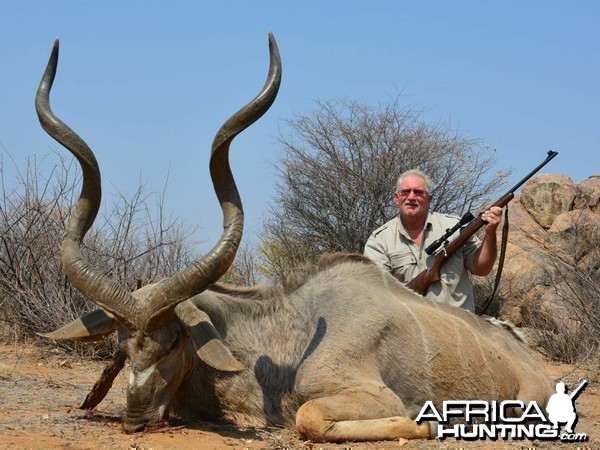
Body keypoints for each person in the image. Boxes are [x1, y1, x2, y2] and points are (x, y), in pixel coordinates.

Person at [364, 169, 502, 312]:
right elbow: (377, 295)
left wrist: (490, 232)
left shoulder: (454, 227)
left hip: (458, 327)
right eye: (405, 192)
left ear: (429, 199)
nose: (411, 197)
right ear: (396, 197)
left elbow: (481, 269)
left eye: (418, 192)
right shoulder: (379, 240)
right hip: (410, 329)